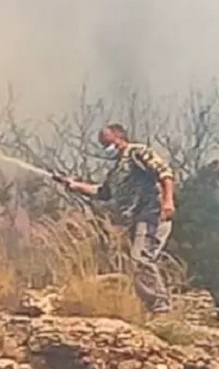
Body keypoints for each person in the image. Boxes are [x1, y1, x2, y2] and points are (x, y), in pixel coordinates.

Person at [56, 123, 177, 313]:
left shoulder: (137, 152)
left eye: (107, 142)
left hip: (151, 215)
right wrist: (75, 185)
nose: (106, 148)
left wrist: (168, 200)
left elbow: (164, 172)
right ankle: (153, 307)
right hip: (135, 221)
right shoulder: (116, 171)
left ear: (120, 137)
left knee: (141, 259)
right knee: (140, 261)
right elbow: (103, 193)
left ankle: (160, 307)